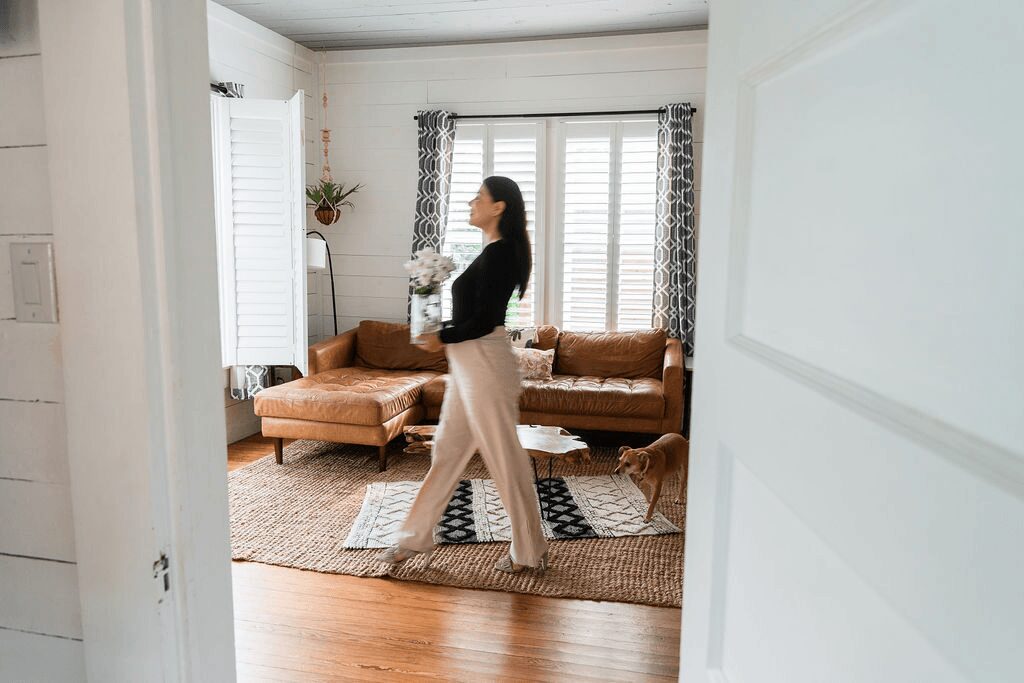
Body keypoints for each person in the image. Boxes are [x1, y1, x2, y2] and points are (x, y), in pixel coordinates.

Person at [378, 176, 549, 574]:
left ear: (499, 207)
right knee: (447, 453)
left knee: (503, 457)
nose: (472, 202)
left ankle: (530, 550)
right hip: (468, 364)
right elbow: (471, 316)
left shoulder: (502, 253)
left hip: (485, 364)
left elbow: (485, 322)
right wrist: (438, 329)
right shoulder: (491, 251)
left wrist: (441, 337)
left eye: (479, 197)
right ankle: (414, 538)